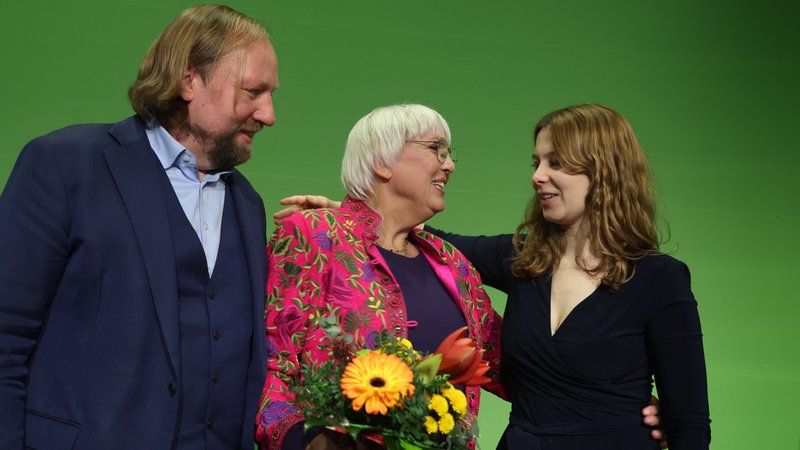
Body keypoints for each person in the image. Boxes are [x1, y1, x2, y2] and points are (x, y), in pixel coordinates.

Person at [275, 104, 703, 449]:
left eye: (556, 162)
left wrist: (641, 410)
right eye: (536, 162)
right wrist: (348, 214)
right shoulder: (525, 260)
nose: (537, 176)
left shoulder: (659, 278)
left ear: (604, 172)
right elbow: (406, 234)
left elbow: (688, 422)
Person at [0, 5, 278, 449]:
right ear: (189, 80)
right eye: (253, 91)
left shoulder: (249, 205)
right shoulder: (64, 166)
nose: (268, 114)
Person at [255, 104, 505, 450]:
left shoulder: (453, 263)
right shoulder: (315, 234)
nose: (449, 165)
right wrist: (308, 441)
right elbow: (270, 364)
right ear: (381, 161)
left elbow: (518, 367)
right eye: (437, 149)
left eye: (449, 154)